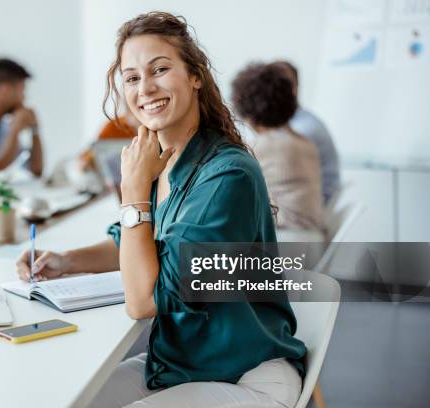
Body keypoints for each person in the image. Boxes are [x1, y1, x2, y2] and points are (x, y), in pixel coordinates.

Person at [16, 12, 306, 408]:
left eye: (160, 69)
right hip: (181, 365)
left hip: (248, 375)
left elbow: (144, 300)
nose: (145, 87)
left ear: (195, 76)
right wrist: (67, 261)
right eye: (132, 78)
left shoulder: (228, 175)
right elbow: (131, 243)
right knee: (67, 399)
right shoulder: (162, 161)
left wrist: (132, 192)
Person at [232, 62, 324, 232]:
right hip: (310, 241)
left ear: (246, 113)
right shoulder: (304, 142)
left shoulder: (260, 147)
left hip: (283, 242)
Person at [272, 60, 341, 204]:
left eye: (280, 85)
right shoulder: (293, 125)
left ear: (294, 88)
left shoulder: (303, 130)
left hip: (315, 206)